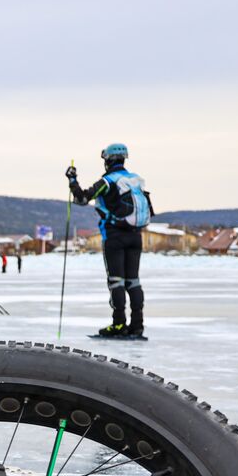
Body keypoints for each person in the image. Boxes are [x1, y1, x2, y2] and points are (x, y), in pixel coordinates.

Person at [68, 143, 154, 338]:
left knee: (116, 281)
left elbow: (82, 199)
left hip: (114, 237)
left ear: (107, 160)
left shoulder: (107, 181)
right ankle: (137, 325)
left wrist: (72, 180)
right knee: (133, 281)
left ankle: (118, 324)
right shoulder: (135, 180)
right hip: (135, 236)